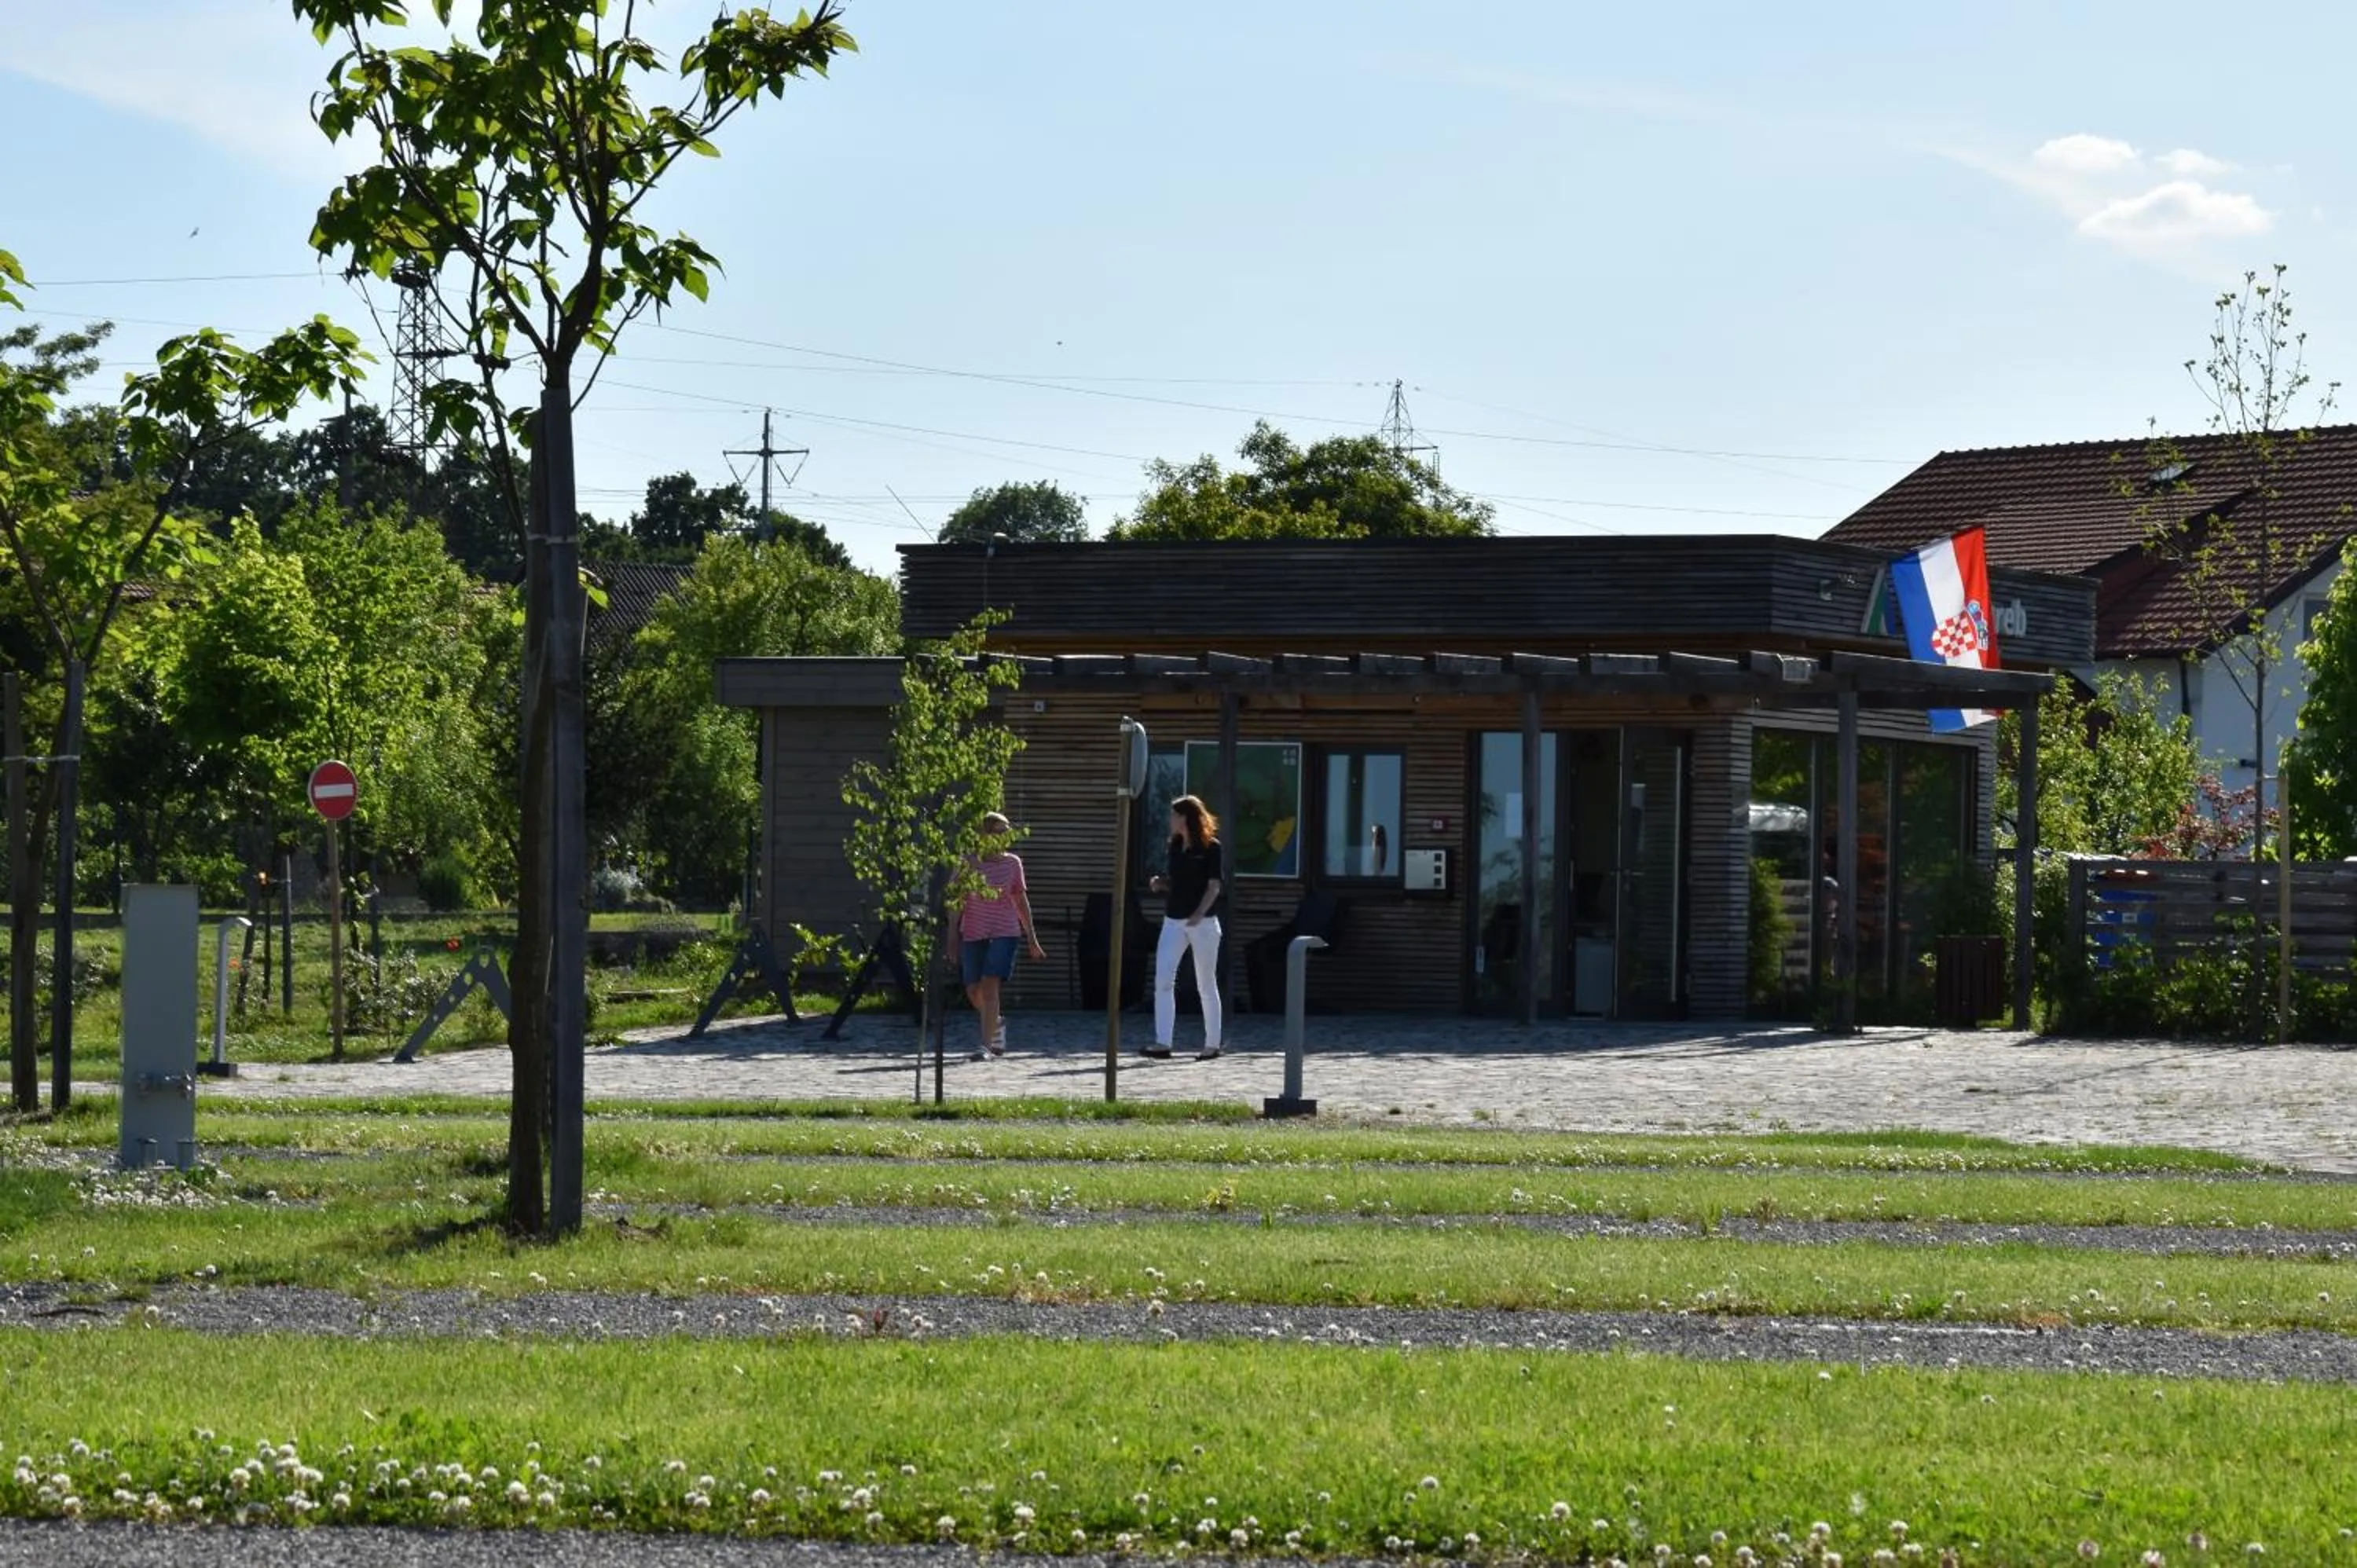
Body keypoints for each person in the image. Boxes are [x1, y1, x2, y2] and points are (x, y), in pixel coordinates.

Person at [955, 812, 1045, 1058]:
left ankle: (984, 1046)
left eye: (1006, 832)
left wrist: (1032, 937)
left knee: (990, 984)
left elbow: (1020, 900)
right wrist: (952, 938)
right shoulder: (969, 863)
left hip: (1005, 931)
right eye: (998, 832)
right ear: (984, 835)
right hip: (974, 931)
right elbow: (956, 901)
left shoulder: (1013, 863)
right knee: (974, 990)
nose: (1004, 837)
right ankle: (995, 1021)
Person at [1146, 794, 1224, 1061]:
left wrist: (1199, 913)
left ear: (1185, 818)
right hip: (1174, 920)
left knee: (1206, 983)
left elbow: (1214, 886)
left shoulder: (1211, 848)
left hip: (1203, 923)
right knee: (1164, 980)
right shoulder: (1175, 846)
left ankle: (1212, 1044)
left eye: (1173, 815)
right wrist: (1161, 883)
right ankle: (1162, 1042)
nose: (1170, 820)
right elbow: (1177, 882)